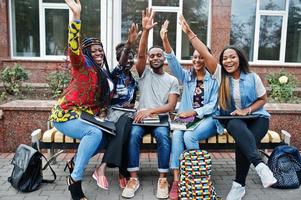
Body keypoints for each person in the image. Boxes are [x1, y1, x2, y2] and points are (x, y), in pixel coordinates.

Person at [178, 15, 277, 200]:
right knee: (235, 127)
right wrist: (190, 33)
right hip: (234, 120)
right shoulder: (220, 76)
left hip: (258, 119)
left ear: (240, 59)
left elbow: (263, 99)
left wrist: (247, 110)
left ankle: (239, 185)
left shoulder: (252, 77)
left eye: (232, 57)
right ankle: (259, 168)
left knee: (244, 141)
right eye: (225, 58)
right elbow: (205, 54)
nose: (228, 61)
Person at [49, 0, 114, 199]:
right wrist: (76, 17)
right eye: (93, 50)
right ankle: (75, 180)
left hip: (85, 117)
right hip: (65, 115)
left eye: (100, 49)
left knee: (106, 136)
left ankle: (74, 162)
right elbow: (74, 48)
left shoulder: (103, 73)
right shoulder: (82, 65)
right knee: (94, 134)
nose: (98, 52)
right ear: (87, 54)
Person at [160, 20, 222, 199]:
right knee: (178, 135)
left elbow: (213, 105)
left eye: (201, 56)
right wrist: (165, 39)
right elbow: (172, 61)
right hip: (187, 119)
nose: (197, 60)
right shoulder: (187, 77)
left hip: (209, 119)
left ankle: (198, 177)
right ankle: (178, 180)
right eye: (194, 57)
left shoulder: (215, 79)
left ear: (207, 59)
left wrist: (194, 112)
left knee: (189, 135)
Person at [121, 8, 180, 199]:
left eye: (159, 55)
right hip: (141, 118)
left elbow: (171, 106)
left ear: (164, 59)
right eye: (152, 56)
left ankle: (162, 178)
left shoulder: (171, 80)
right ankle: (133, 178)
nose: (155, 58)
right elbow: (140, 56)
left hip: (160, 119)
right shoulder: (143, 73)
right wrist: (145, 31)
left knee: (164, 138)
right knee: (133, 136)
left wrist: (150, 111)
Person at [92, 24, 140, 190]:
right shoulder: (115, 74)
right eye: (124, 58)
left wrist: (131, 105)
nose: (128, 61)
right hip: (114, 115)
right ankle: (118, 171)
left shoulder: (134, 81)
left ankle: (110, 168)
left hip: (127, 115)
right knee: (124, 128)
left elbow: (133, 102)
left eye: (130, 58)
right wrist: (128, 45)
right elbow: (123, 60)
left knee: (126, 129)